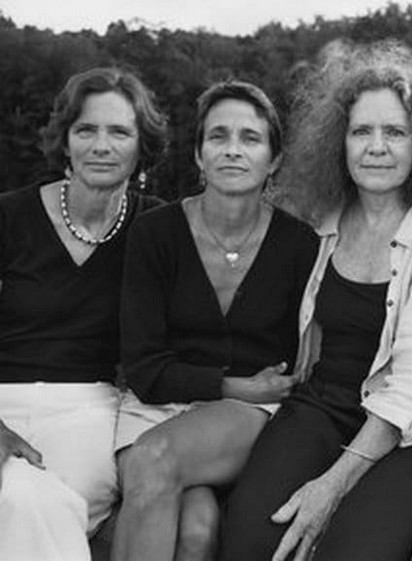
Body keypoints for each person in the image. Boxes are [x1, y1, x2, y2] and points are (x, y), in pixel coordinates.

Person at [219, 40, 412, 561]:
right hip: (319, 405)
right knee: (252, 540)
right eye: (361, 131)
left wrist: (331, 486)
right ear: (339, 143)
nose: (376, 147)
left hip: (408, 428)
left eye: (395, 132)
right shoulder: (318, 221)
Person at [112, 80, 319, 561]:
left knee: (154, 459)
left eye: (250, 138)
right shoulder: (154, 234)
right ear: (199, 155)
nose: (232, 150)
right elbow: (142, 366)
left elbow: (303, 362)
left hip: (247, 416)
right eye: (218, 136)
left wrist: (246, 395)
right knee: (197, 531)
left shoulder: (299, 245)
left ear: (273, 159)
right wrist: (235, 385)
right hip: (155, 406)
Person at [0, 67, 166, 561]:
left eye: (119, 132)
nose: (101, 145)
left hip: (88, 413)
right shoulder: (8, 216)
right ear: (66, 141)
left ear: (141, 146)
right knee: (25, 500)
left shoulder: (156, 227)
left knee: (25, 499)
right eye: (86, 129)